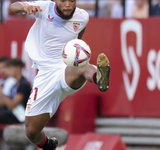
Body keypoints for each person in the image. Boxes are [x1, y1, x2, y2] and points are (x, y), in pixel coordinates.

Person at [10, 0, 110, 150]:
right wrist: (25, 7)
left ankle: (99, 78)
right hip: (45, 75)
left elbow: (78, 40)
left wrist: (75, 54)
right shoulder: (43, 7)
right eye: (63, 1)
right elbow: (13, 7)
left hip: (65, 68)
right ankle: (49, 146)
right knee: (31, 131)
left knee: (81, 65)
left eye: (72, 0)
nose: (68, 4)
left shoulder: (82, 17)